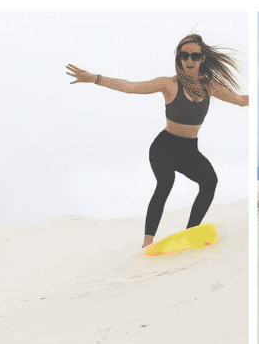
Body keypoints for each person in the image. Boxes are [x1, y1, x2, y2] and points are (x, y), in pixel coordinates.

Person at [66, 33, 248, 248]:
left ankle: (191, 234)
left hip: (189, 150)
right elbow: (130, 86)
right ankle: (147, 242)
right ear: (179, 58)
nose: (189, 60)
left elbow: (240, 100)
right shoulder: (168, 84)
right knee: (165, 183)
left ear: (202, 59)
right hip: (164, 147)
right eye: (184, 55)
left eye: (195, 56)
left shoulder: (210, 87)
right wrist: (95, 78)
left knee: (209, 182)